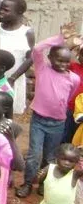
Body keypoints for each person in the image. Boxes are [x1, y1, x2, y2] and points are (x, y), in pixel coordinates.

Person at [23, 32, 81, 195]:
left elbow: (68, 97)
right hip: (39, 120)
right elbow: (36, 49)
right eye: (59, 60)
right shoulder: (43, 69)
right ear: (50, 58)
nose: (63, 64)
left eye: (66, 61)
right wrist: (60, 39)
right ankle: (28, 183)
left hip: (58, 122)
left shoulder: (74, 79)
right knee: (34, 154)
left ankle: (44, 183)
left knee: (50, 156)